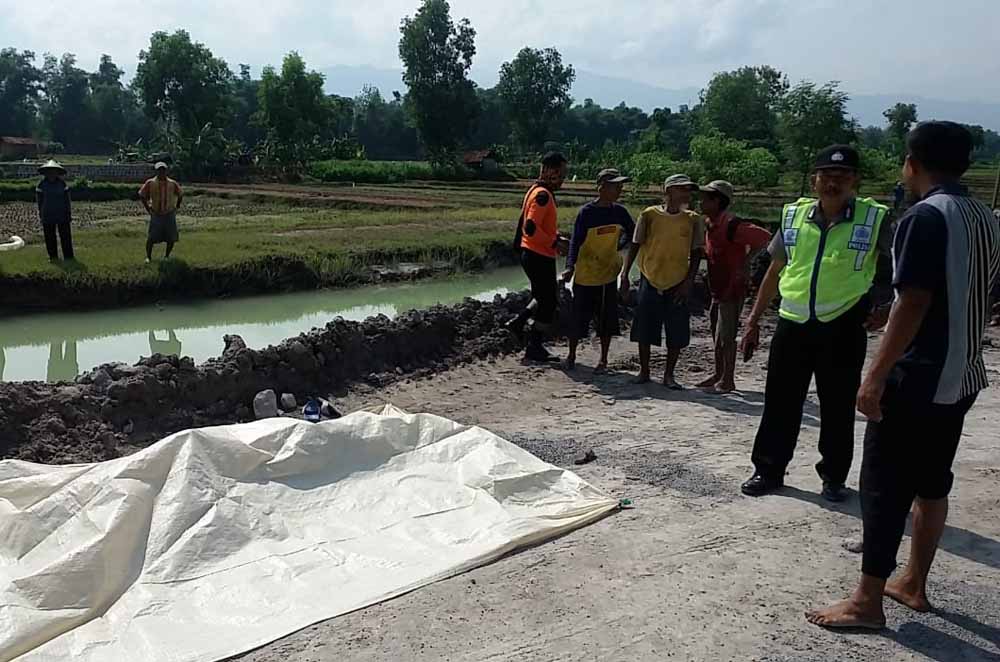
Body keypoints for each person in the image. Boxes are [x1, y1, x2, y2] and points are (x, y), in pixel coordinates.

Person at [806, 123, 1000, 630]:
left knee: (883, 486)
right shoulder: (985, 217)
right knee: (933, 482)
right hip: (962, 374)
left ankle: (867, 602)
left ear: (912, 162)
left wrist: (875, 374)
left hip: (918, 375)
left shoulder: (924, 217)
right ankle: (913, 581)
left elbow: (913, 301)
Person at [740, 145, 893, 503]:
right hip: (792, 322)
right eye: (826, 176)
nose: (833, 183)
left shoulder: (875, 219)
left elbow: (896, 270)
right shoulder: (794, 216)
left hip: (843, 322)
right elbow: (775, 268)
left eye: (842, 177)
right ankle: (768, 469)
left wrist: (886, 306)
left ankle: (834, 477)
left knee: (838, 405)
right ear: (814, 181)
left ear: (855, 180)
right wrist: (752, 320)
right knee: (780, 402)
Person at [621, 174, 705, 389]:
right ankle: (644, 371)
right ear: (668, 192)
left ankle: (669, 375)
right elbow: (635, 244)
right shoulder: (649, 215)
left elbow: (696, 252)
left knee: (676, 329)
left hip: (677, 279)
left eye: (688, 190)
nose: (686, 194)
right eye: (682, 189)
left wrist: (688, 281)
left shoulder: (693, 219)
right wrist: (624, 274)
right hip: (650, 276)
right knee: (644, 327)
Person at [695, 180, 772, 393]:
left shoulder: (732, 224)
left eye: (705, 199)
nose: (700, 202)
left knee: (726, 335)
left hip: (731, 287)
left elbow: (765, 238)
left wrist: (746, 263)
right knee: (716, 332)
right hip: (717, 287)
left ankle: (727, 379)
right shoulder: (711, 223)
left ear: (717, 201)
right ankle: (718, 373)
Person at [561, 168, 635, 372]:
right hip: (586, 274)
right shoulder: (587, 213)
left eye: (620, 186)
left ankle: (603, 360)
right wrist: (569, 267)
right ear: (601, 188)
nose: (619, 190)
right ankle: (572, 355)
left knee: (606, 320)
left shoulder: (619, 212)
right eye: (615, 186)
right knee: (578, 318)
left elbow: (633, 232)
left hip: (609, 274)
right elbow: (575, 242)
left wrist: (620, 245)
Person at [506, 152, 571, 362]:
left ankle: (519, 322)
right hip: (537, 254)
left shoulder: (537, 190)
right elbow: (530, 227)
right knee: (548, 303)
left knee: (545, 295)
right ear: (550, 171)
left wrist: (555, 236)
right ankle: (534, 346)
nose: (562, 179)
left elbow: (536, 225)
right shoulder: (543, 195)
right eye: (561, 174)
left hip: (534, 253)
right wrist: (554, 242)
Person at [139, 162, 183, 263]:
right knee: (151, 237)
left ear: (166, 171)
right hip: (156, 214)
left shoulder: (172, 183)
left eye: (163, 170)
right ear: (156, 171)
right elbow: (142, 195)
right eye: (159, 170)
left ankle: (167, 256)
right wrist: (148, 208)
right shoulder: (150, 182)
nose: (161, 172)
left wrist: (177, 207)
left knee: (171, 237)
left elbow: (180, 194)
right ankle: (148, 257)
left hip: (169, 213)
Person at [35, 160, 74, 261]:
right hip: (47, 214)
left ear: (57, 173)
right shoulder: (41, 185)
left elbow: (67, 200)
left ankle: (68, 256)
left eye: (54, 172)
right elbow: (39, 201)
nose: (51, 174)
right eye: (49, 172)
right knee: (49, 237)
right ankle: (53, 256)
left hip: (62, 213)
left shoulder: (62, 184)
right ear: (46, 173)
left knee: (65, 236)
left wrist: (68, 213)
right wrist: (41, 214)